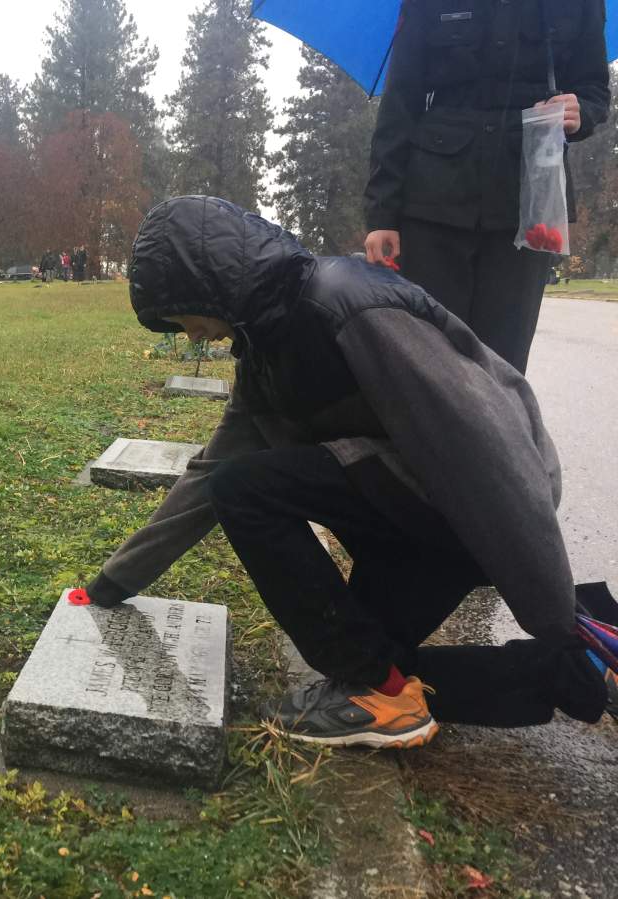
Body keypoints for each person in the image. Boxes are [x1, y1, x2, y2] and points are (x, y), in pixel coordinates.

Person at [85, 196, 613, 748]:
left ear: (207, 283)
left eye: (182, 318)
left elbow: (485, 449)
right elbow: (206, 473)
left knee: (245, 492)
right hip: (418, 516)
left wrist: (552, 610)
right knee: (370, 653)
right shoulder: (263, 351)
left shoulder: (345, 305)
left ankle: (392, 688)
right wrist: (111, 584)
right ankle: (566, 671)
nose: (191, 336)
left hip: (476, 500)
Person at [363, 0, 609, 373]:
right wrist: (382, 214)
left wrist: (582, 111)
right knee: (429, 363)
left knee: (502, 368)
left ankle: (498, 434)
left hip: (528, 204)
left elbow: (595, 91)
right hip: (433, 203)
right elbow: (401, 101)